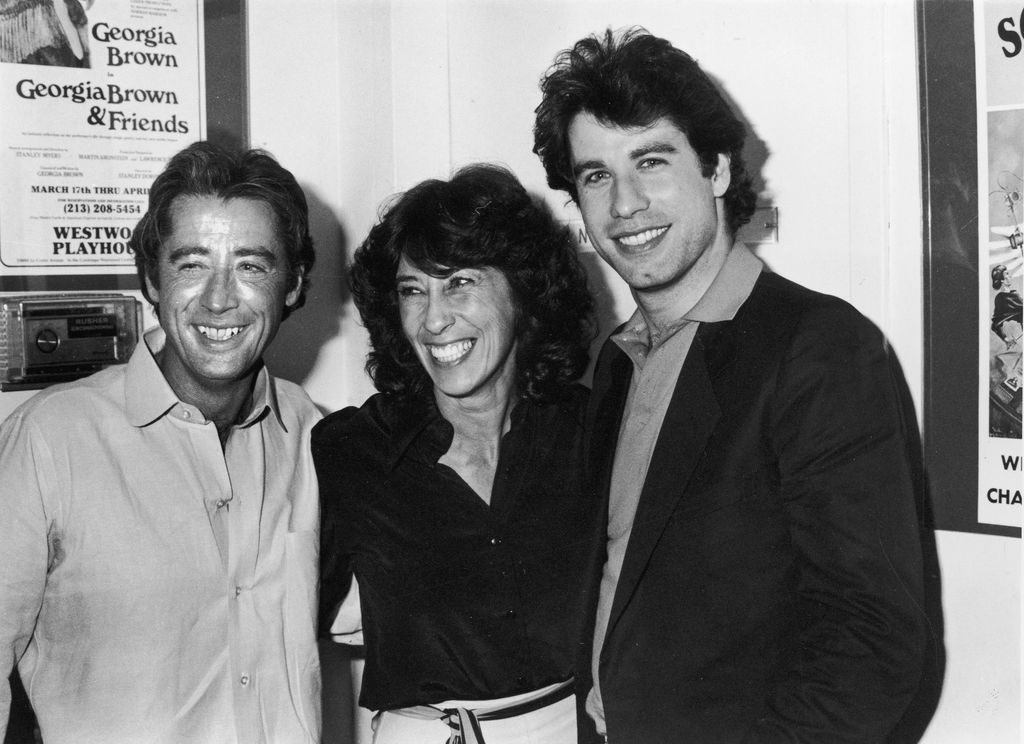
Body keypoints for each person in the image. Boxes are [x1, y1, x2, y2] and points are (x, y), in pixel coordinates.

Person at [533, 28, 930, 743]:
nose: (624, 205)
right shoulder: (616, 362)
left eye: (651, 161)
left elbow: (873, 643)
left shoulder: (819, 348)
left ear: (715, 169)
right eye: (595, 176)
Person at [0, 141, 322, 743]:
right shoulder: (50, 441)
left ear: (294, 285)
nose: (220, 299)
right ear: (151, 277)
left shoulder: (314, 436)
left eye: (251, 266)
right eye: (191, 264)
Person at [315, 164, 597, 744]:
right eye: (412, 290)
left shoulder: (591, 433)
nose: (434, 319)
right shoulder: (348, 452)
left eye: (460, 282)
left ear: (522, 290)